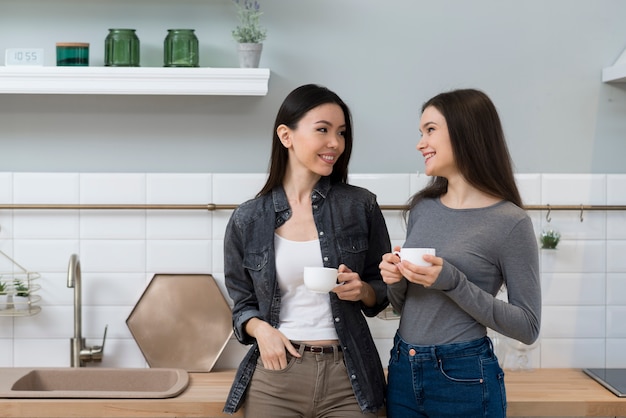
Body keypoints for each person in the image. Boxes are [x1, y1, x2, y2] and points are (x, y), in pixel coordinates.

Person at [223, 84, 391, 417]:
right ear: (286, 136)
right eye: (323, 130)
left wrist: (363, 291)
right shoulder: (248, 218)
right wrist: (261, 330)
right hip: (276, 375)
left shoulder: (361, 206)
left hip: (349, 376)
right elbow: (242, 305)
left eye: (341, 133)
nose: (336, 143)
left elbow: (382, 293)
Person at [379, 88, 541, 418]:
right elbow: (402, 306)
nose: (420, 143)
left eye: (430, 130)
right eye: (421, 132)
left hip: (463, 376)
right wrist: (394, 279)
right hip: (402, 369)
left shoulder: (511, 223)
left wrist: (454, 282)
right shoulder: (423, 208)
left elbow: (527, 326)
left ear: (466, 132)